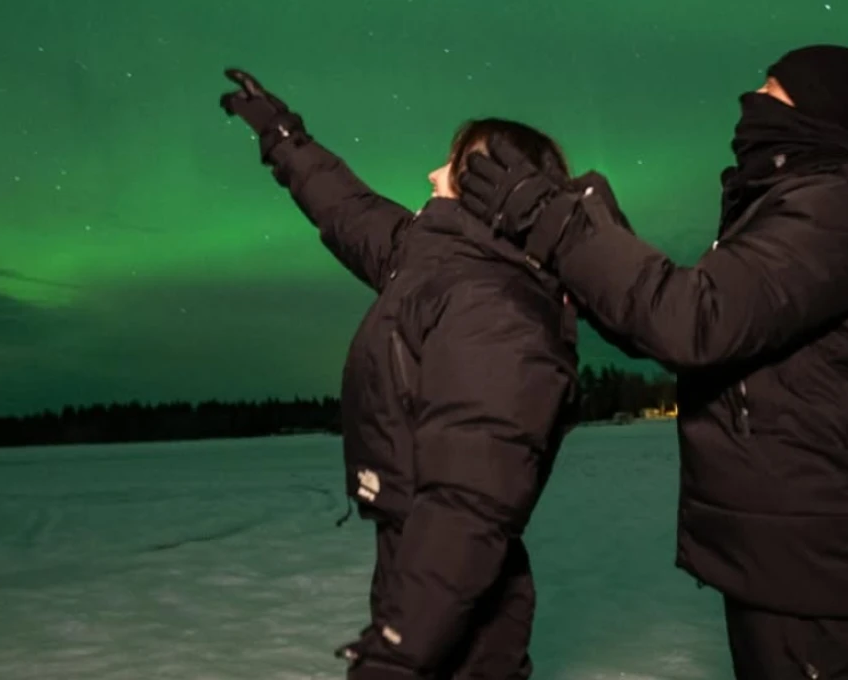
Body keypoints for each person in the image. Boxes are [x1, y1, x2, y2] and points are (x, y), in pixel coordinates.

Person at [454, 45, 848, 679]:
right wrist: (589, 227)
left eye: (771, 91)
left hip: (816, 564)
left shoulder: (833, 213)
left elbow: (693, 322)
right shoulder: (787, 207)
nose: (752, 101)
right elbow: (671, 330)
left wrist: (552, 219)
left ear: (815, 111)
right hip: (782, 548)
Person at [218, 69, 593, 679]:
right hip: (417, 559)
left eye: (450, 164)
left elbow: (469, 504)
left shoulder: (496, 309)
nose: (431, 174)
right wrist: (283, 135)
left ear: (490, 186)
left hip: (448, 583)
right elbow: (347, 208)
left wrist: (399, 646)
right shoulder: (431, 261)